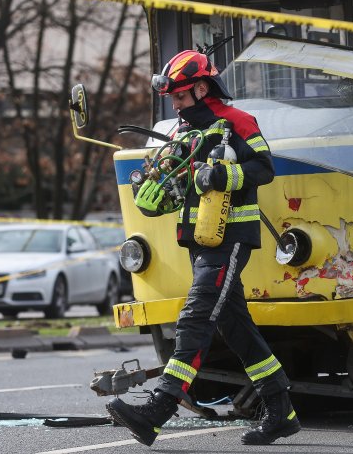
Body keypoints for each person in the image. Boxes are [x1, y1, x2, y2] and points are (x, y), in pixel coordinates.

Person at [106, 49, 301, 447]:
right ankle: (282, 411)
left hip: (230, 239)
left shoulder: (238, 122)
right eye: (172, 99)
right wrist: (157, 183)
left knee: (195, 318)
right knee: (235, 326)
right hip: (199, 241)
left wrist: (224, 174)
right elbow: (176, 185)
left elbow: (265, 168)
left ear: (200, 88)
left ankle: (158, 410)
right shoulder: (181, 132)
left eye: (180, 97)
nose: (176, 106)